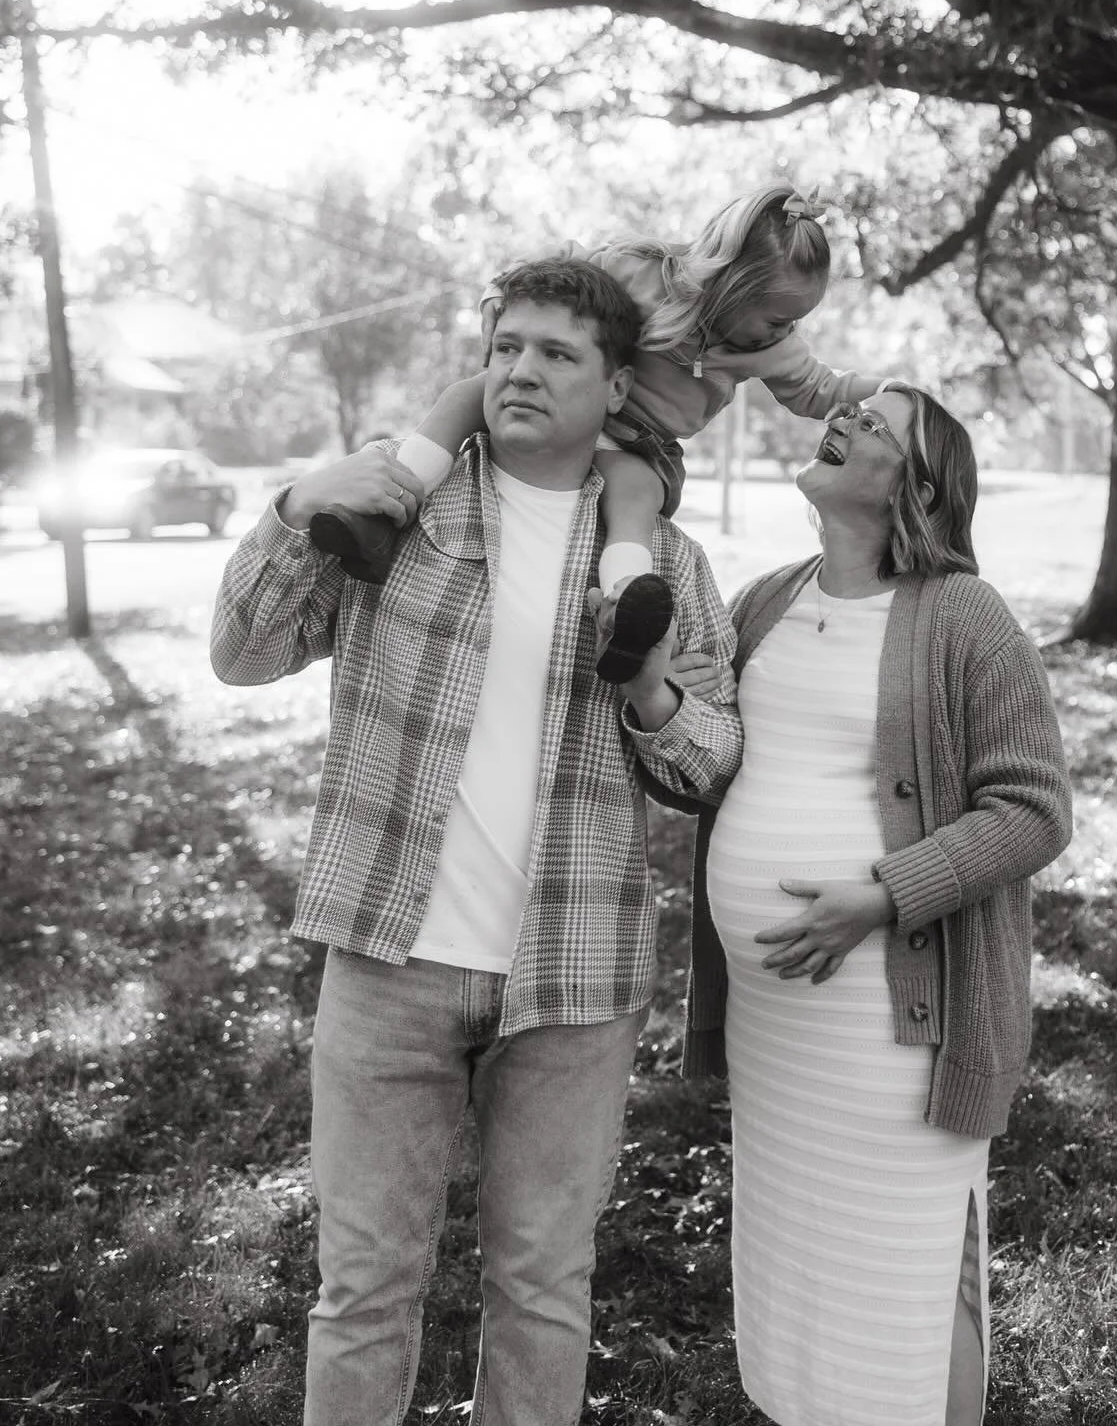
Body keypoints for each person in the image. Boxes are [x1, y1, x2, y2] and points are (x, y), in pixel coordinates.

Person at [210, 257, 743, 1426]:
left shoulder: (670, 569)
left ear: (615, 390)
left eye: (557, 353)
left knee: (543, 1286)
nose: (521, 371)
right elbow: (243, 655)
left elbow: (707, 767)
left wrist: (652, 693)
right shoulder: (394, 515)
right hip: (387, 960)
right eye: (506, 346)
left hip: (574, 981)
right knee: (360, 1292)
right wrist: (299, 505)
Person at [671, 386, 1072, 1426]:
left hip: (896, 1024)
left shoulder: (963, 617)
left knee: (910, 1255)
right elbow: (704, 756)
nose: (842, 418)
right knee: (800, 1256)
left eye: (875, 424)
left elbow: (1032, 812)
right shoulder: (764, 600)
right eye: (845, 408)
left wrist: (880, 899)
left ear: (917, 485)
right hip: (778, 1026)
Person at [308, 182, 890, 683]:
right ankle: (381, 515)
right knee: (463, 396)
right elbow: (558, 266)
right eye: (778, 316)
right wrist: (500, 300)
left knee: (632, 494)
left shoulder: (774, 349)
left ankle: (623, 613)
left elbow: (820, 389)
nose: (787, 331)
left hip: (642, 447)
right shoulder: (641, 271)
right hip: (575, 412)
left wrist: (886, 392)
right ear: (731, 283)